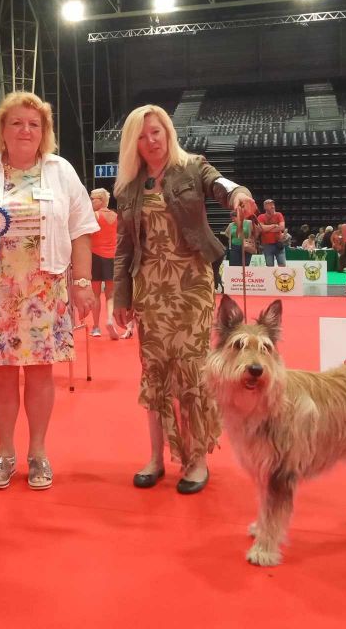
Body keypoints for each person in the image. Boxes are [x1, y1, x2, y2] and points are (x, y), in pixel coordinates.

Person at [0, 91, 98, 491]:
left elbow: (82, 228)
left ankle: (38, 452)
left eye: (34, 124)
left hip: (45, 289)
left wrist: (82, 282)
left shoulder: (61, 170)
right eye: (17, 122)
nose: (25, 130)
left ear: (43, 131)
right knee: (2, 373)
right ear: (2, 129)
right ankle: (4, 451)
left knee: (41, 371)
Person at [112, 105, 256, 494]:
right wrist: (120, 297)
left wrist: (238, 193)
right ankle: (157, 458)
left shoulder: (192, 166)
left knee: (190, 371)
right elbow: (124, 248)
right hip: (149, 289)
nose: (151, 141)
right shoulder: (127, 186)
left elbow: (220, 185)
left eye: (156, 132)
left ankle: (196, 460)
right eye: (142, 136)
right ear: (133, 142)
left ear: (168, 132)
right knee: (154, 372)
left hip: (192, 284)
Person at [88, 188, 131, 339]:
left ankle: (95, 327)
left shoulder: (93, 216)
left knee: (95, 294)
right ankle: (109, 320)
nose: (91, 201)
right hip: (112, 257)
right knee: (110, 294)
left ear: (101, 200)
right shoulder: (116, 216)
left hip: (95, 257)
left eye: (93, 199)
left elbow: (87, 236)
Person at [257, 199, 287, 266]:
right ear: (265, 207)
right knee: (269, 266)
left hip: (278, 243)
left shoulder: (279, 215)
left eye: (273, 205)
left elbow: (282, 227)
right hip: (267, 245)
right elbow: (261, 228)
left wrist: (266, 229)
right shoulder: (261, 217)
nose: (272, 206)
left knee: (282, 264)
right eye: (270, 205)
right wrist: (274, 225)